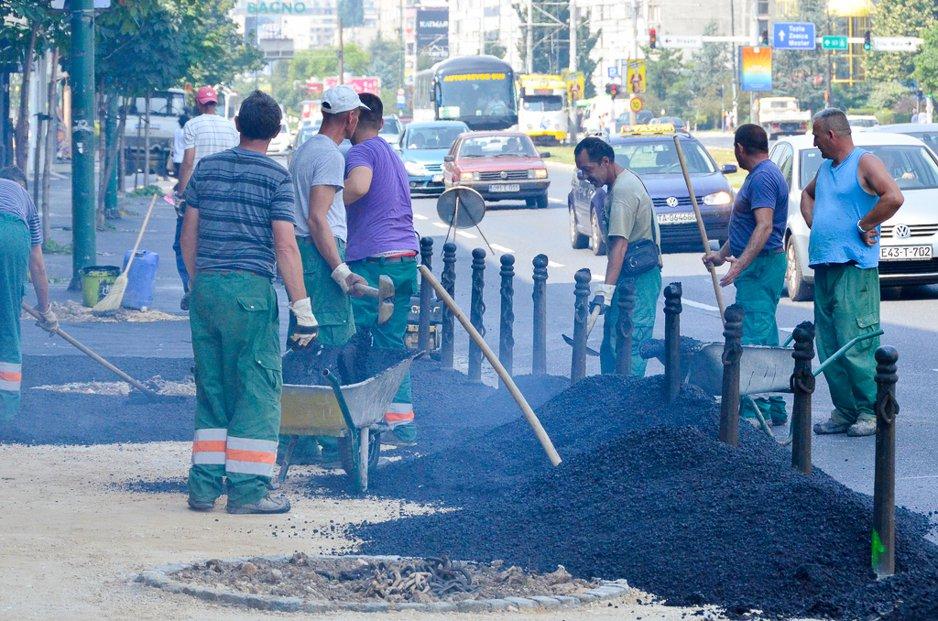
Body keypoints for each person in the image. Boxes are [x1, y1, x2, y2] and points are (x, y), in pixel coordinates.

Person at [180, 90, 318, 514]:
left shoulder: (206, 168)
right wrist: (302, 307)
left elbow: (190, 234)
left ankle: (203, 489)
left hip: (206, 289)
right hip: (250, 295)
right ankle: (248, 491)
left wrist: (198, 282)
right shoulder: (274, 178)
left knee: (213, 387)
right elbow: (285, 246)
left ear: (237, 125)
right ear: (276, 133)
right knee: (256, 390)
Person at [802, 108, 903, 437]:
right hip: (825, 268)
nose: (814, 142)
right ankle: (844, 410)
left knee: (855, 342)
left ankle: (870, 411)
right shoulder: (826, 168)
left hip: (853, 269)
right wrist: (817, 225)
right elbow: (807, 194)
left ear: (831, 135)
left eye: (816, 136)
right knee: (829, 344)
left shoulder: (864, 162)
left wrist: (865, 223)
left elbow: (894, 196)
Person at [283, 85, 368, 463]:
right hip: (320, 256)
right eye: (357, 118)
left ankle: (301, 440)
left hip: (302, 256)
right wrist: (340, 270)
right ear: (349, 118)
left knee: (303, 343)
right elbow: (319, 218)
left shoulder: (303, 150)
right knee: (332, 344)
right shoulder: (331, 156)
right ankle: (332, 438)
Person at [344, 92, 420, 443]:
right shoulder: (392, 153)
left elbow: (358, 186)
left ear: (354, 119)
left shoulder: (360, 152)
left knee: (352, 336)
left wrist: (326, 197)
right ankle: (401, 425)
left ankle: (351, 421)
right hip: (405, 259)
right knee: (392, 342)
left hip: (374, 262)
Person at [703, 124, 789, 426]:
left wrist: (740, 264)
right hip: (758, 265)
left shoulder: (764, 177)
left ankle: (757, 409)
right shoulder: (760, 175)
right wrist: (723, 254)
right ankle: (776, 404)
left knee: (753, 337)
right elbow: (746, 227)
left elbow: (764, 227)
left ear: (740, 148)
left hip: (761, 267)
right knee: (765, 334)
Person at [574, 137, 662, 376]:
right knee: (612, 342)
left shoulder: (623, 191)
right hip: (629, 275)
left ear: (605, 162)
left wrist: (605, 293)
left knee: (629, 342)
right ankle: (611, 400)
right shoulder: (617, 185)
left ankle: (628, 404)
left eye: (588, 170)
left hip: (640, 279)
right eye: (581, 171)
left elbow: (619, 247)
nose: (586, 177)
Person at [0, 166, 57, 421]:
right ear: (21, 185)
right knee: (7, 326)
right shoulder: (25, 201)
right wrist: (45, 310)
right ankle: (7, 414)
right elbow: (38, 265)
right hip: (10, 234)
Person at [174, 86, 239, 310]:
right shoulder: (230, 128)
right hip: (224, 195)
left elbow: (189, 161)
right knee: (217, 243)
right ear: (215, 103)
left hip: (197, 194)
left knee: (182, 242)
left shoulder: (192, 125)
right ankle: (216, 291)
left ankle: (192, 287)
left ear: (199, 103)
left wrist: (181, 193)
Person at [172, 114, 189, 179]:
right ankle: (176, 188)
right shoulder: (186, 132)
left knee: (180, 178)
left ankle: (177, 188)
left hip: (176, 158)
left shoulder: (176, 131)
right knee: (184, 178)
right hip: (184, 159)